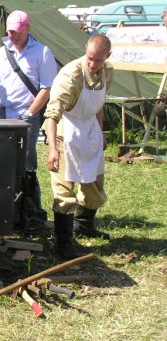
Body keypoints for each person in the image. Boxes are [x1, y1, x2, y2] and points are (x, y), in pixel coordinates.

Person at [44, 34, 113, 258]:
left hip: (90, 128)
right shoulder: (71, 75)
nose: (93, 65)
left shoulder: (107, 73)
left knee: (94, 182)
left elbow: (99, 105)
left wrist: (100, 132)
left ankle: (85, 225)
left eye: (98, 60)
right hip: (68, 128)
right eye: (90, 59)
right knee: (64, 188)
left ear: (107, 57)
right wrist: (53, 148)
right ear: (86, 51)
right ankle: (63, 242)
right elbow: (52, 115)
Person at [0, 10, 57, 234]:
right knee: (2, 164)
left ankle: (32, 214)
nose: (14, 36)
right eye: (10, 32)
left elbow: (47, 88)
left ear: (27, 29)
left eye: (17, 32)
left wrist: (30, 112)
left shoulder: (42, 52)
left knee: (26, 165)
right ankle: (8, 212)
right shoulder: (2, 52)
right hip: (3, 115)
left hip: (27, 116)